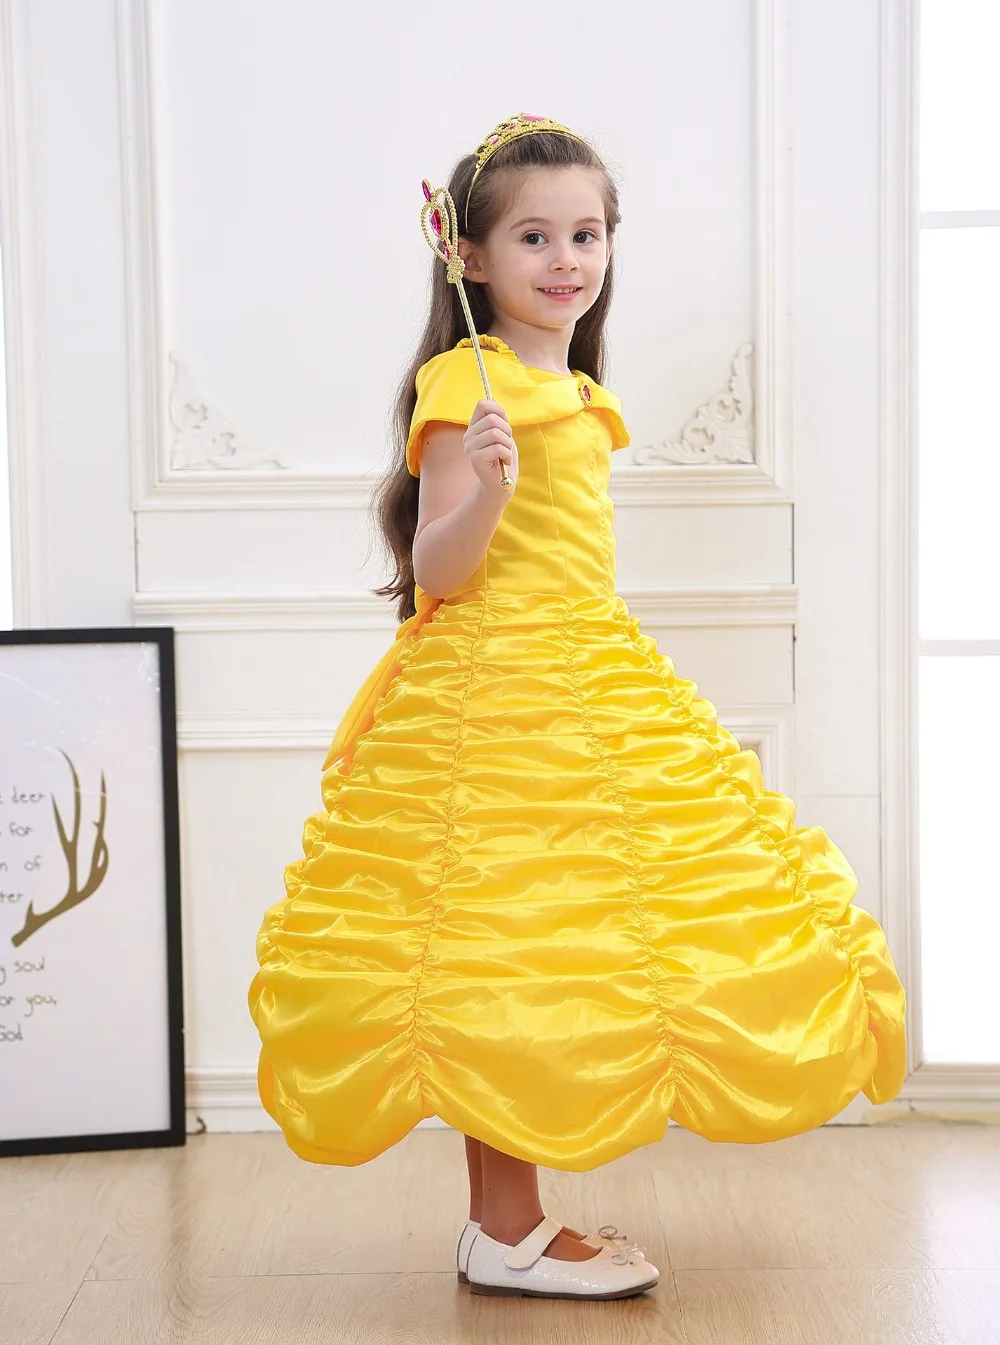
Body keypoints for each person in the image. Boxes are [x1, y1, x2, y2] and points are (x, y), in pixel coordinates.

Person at [247, 112, 907, 1302]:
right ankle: (506, 1226)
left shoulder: (571, 386)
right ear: (470, 257)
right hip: (499, 689)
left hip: (586, 667)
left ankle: (503, 1223)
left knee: (554, 940)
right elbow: (440, 567)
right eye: (533, 236)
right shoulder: (468, 381)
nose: (565, 258)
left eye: (586, 233)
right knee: (506, 938)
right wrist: (487, 491)